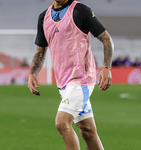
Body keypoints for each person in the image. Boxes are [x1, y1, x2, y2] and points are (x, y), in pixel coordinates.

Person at [28, 0, 114, 150]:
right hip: (64, 84)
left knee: (62, 123)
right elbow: (40, 50)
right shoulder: (44, 17)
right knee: (88, 131)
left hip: (82, 79)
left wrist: (106, 67)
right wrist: (32, 73)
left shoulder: (80, 11)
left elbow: (106, 39)